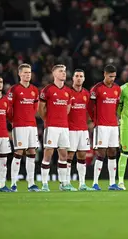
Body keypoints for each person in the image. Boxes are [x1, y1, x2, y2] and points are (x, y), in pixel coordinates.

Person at [38, 64, 74, 192]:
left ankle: (63, 183)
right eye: (60, 71)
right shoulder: (47, 90)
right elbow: (40, 108)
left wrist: (61, 119)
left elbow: (68, 109)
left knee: (63, 155)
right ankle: (44, 184)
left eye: (64, 71)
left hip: (64, 127)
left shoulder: (68, 91)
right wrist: (47, 120)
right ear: (54, 74)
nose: (64, 73)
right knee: (48, 154)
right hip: (51, 127)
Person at [7, 64, 40, 192]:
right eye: (25, 72)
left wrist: (30, 118)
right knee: (19, 152)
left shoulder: (34, 90)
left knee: (32, 152)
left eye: (29, 72)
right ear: (19, 74)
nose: (28, 75)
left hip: (32, 125)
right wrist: (13, 122)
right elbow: (8, 109)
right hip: (19, 126)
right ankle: (14, 183)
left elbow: (34, 108)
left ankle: (31, 183)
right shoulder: (14, 89)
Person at [90, 64, 123, 190]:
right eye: (110, 76)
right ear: (104, 74)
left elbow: (116, 106)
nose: (112, 79)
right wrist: (95, 120)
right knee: (101, 152)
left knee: (113, 152)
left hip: (113, 125)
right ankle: (95, 183)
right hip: (101, 126)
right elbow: (90, 106)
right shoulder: (96, 89)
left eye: (114, 76)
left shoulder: (117, 89)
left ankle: (112, 183)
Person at [66, 69, 93, 191]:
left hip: (83, 129)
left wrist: (86, 123)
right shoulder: (67, 92)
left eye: (81, 76)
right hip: (70, 129)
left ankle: (82, 183)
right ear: (72, 78)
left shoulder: (86, 94)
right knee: (69, 155)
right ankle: (66, 182)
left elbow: (88, 111)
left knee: (82, 155)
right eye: (76, 76)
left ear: (84, 78)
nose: (78, 78)